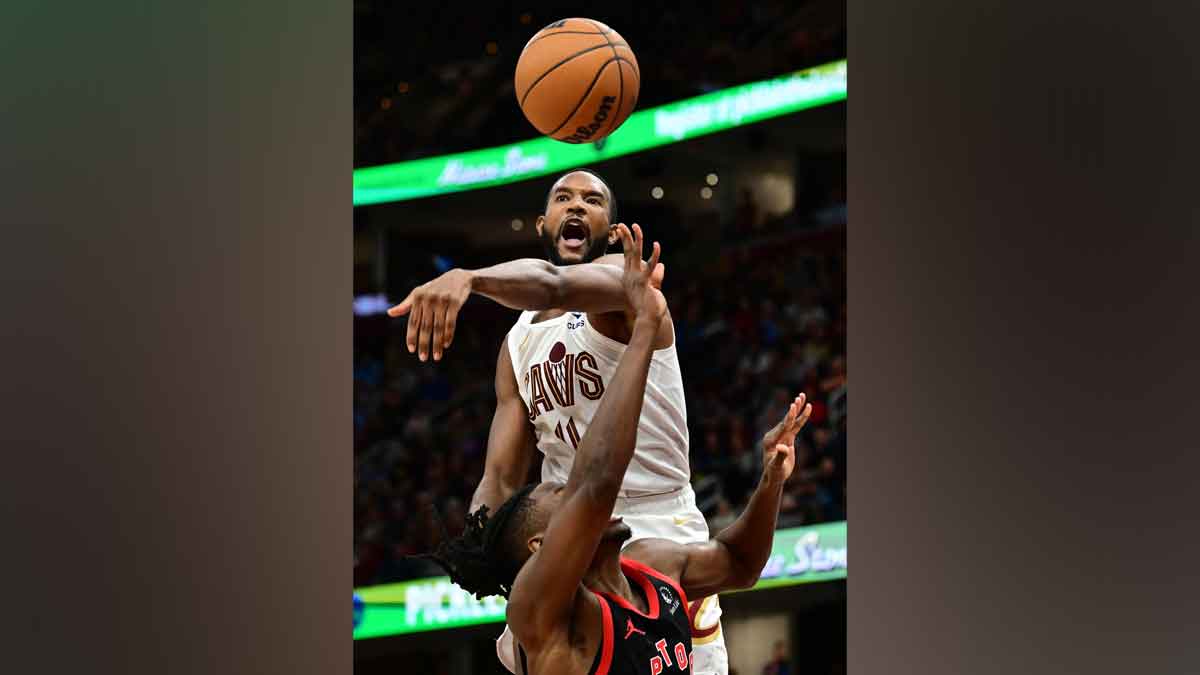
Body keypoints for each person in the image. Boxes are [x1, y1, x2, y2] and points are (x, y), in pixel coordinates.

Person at [420, 225, 813, 675]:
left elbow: (741, 565)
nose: (572, 494)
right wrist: (645, 329)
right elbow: (596, 480)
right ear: (541, 546)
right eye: (560, 496)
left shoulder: (651, 564)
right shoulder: (542, 617)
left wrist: (771, 481)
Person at [387, 169, 730, 673]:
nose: (575, 206)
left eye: (592, 200)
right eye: (563, 198)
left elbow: (554, 285)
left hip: (656, 519)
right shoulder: (517, 343)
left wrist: (470, 278)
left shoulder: (624, 286)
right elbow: (500, 477)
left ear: (611, 230)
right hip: (570, 537)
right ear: (543, 223)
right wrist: (485, 549)